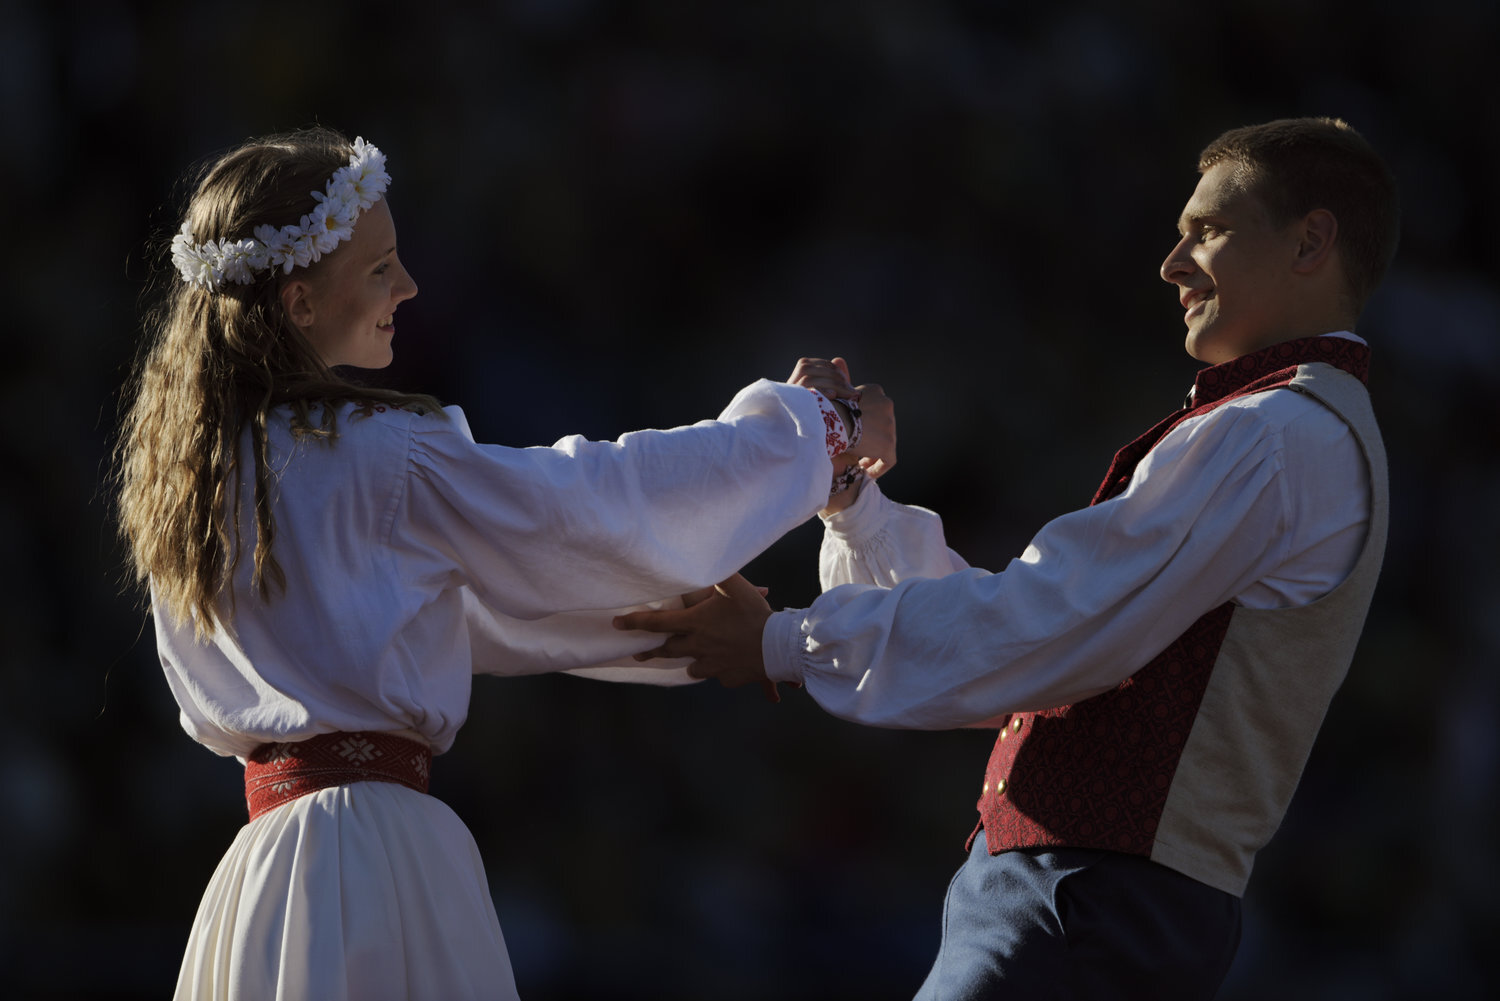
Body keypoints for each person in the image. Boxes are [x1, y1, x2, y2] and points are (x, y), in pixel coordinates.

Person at [616, 116, 1399, 998]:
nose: (1172, 264)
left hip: (1084, 901)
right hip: (1095, 903)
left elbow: (1044, 629)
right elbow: (1034, 636)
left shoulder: (1274, 433)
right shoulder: (1292, 431)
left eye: (1207, 229)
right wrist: (851, 501)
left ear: (1313, 240)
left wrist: (781, 640)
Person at [113, 126, 892, 1001]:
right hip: (372, 859)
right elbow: (578, 505)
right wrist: (807, 431)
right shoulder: (381, 458)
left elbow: (447, 609)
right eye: (380, 269)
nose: (407, 287)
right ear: (298, 303)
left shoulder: (189, 481)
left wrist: (675, 616)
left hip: (257, 883)